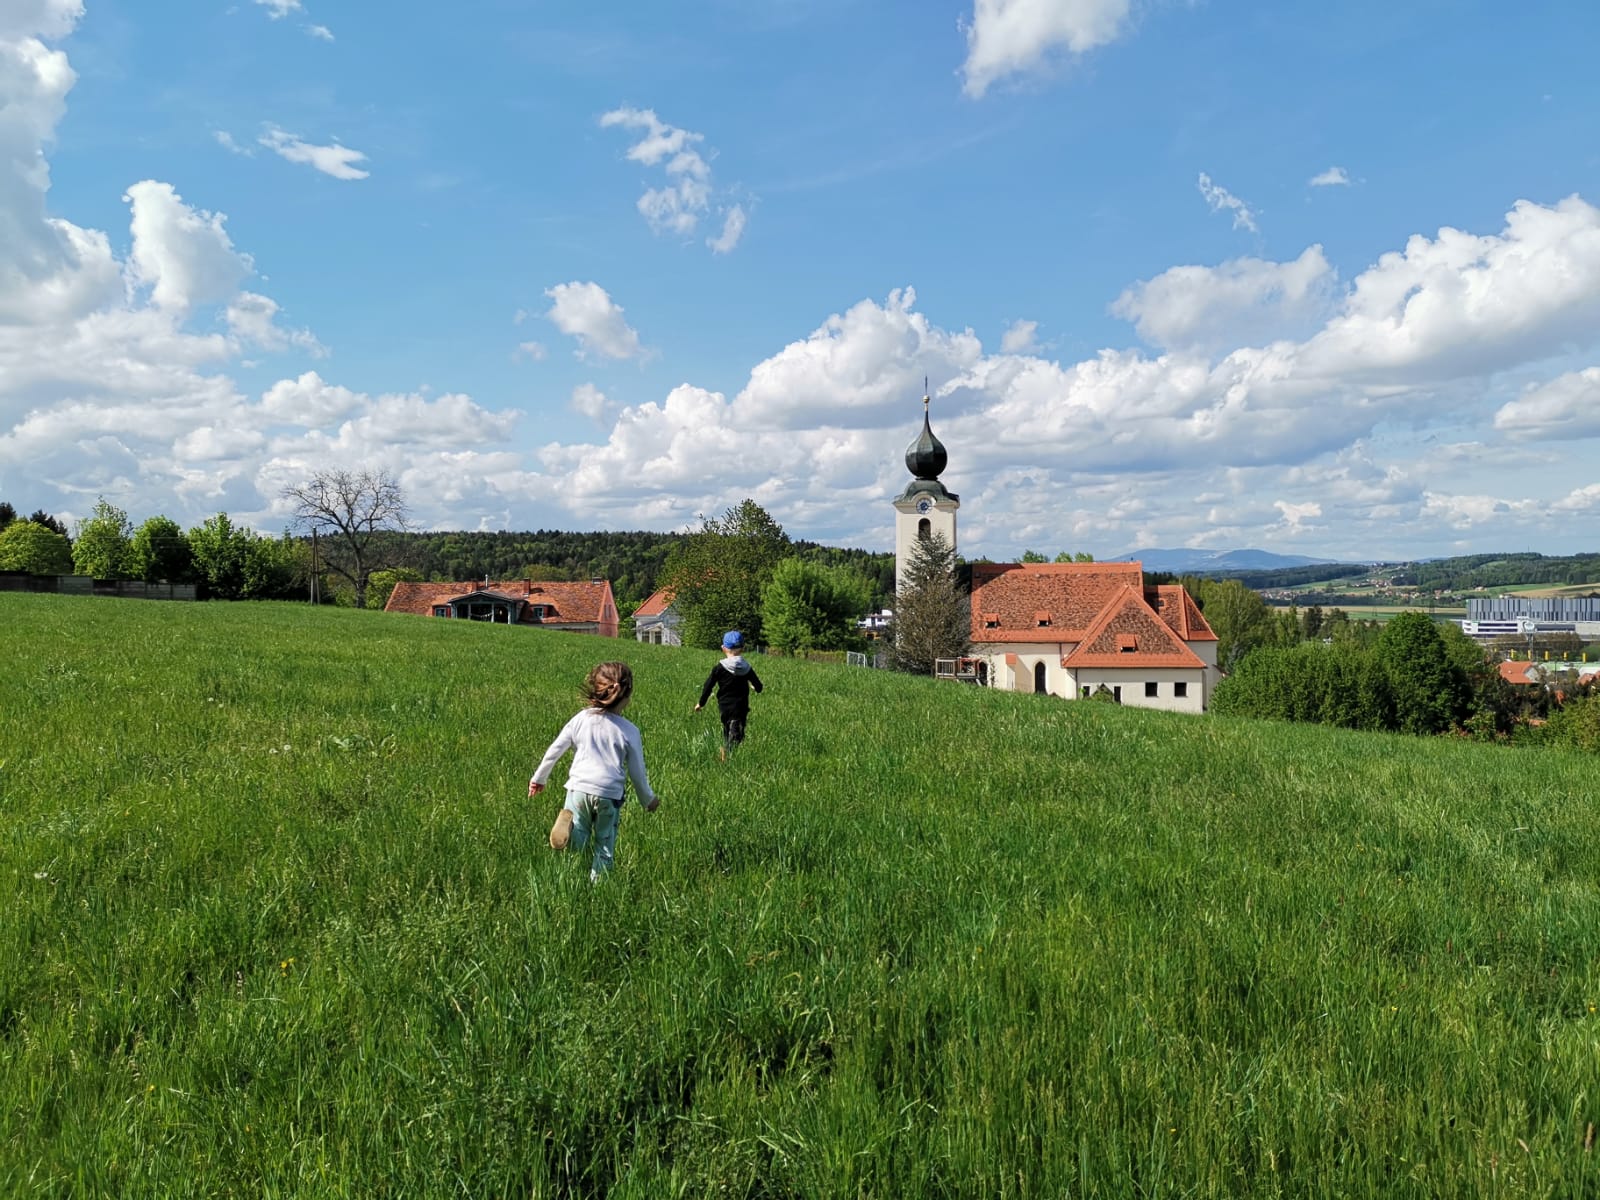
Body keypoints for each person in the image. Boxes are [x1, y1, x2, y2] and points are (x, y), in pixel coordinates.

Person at [529, 661, 659, 881]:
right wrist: (648, 800)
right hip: (609, 794)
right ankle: (598, 885)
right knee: (604, 844)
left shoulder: (582, 719)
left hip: (579, 789)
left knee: (579, 830)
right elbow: (637, 773)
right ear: (627, 696)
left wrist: (539, 778)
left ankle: (570, 849)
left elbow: (555, 750)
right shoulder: (630, 731)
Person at [694, 630, 764, 759]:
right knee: (738, 734)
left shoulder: (719, 668)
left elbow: (708, 686)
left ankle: (727, 753)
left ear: (723, 648)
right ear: (742, 648)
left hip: (724, 706)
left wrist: (701, 703)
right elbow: (759, 687)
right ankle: (728, 753)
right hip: (741, 706)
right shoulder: (746, 668)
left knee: (728, 729)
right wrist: (755, 687)